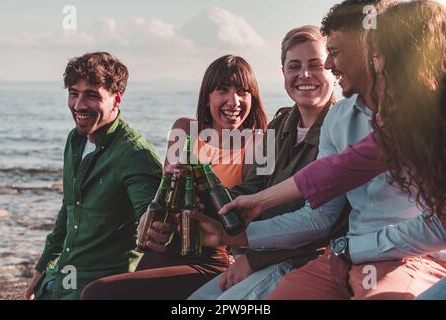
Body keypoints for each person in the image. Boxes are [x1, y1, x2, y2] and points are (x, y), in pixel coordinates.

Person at [190, 0, 446, 300]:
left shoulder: (426, 117)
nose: (327, 65)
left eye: (331, 55)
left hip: (409, 257)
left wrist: (352, 248)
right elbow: (337, 172)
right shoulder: (303, 125)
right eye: (294, 66)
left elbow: (436, 226)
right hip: (345, 256)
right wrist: (234, 218)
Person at [80, 55, 269, 299]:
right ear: (207, 96)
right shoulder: (185, 128)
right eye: (222, 90)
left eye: (243, 91)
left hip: (212, 255)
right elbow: (166, 202)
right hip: (168, 245)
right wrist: (158, 204)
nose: (233, 101)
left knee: (98, 294)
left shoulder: (261, 143)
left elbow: (255, 218)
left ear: (252, 97)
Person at [188, 25, 350, 300]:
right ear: (283, 72)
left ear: (332, 71)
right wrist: (197, 194)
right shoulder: (278, 127)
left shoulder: (342, 128)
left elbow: (322, 226)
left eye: (315, 65)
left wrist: (253, 260)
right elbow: (254, 186)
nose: (304, 75)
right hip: (258, 253)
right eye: (294, 66)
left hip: (302, 262)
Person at [25, 52, 163, 300]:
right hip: (60, 279)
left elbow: (152, 223)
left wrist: (154, 225)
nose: (78, 105)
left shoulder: (135, 154)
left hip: (100, 287)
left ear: (116, 99)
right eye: (73, 93)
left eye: (91, 95)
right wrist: (42, 266)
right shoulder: (75, 139)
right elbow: (69, 208)